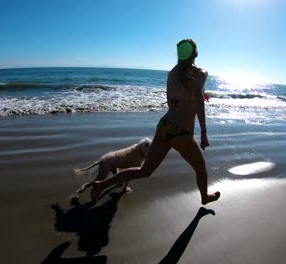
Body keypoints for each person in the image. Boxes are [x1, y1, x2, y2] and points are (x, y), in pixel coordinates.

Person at [91, 39, 220, 205]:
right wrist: (203, 132)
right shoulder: (201, 72)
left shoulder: (173, 72)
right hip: (182, 132)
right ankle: (204, 197)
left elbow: (171, 102)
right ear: (196, 53)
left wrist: (198, 94)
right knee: (200, 168)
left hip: (164, 126)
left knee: (145, 170)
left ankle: (102, 184)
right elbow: (195, 95)